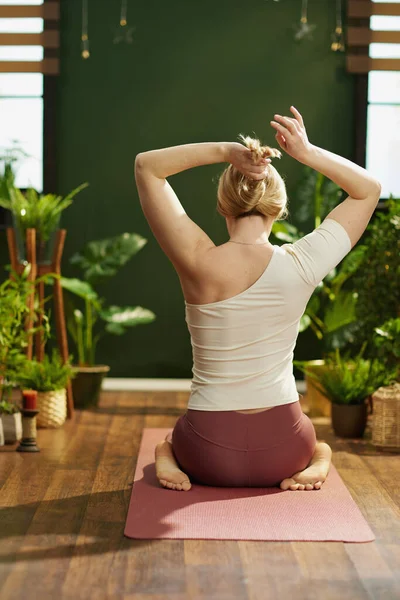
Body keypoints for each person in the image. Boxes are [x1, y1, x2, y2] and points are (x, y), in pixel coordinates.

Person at [134, 106, 381, 492]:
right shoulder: (304, 262)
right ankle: (318, 461)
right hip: (285, 451)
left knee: (171, 439)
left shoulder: (197, 261)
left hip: (206, 454)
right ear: (278, 209)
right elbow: (369, 190)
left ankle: (168, 455)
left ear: (222, 206)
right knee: (317, 445)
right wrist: (307, 152)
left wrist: (225, 151)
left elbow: (146, 167)